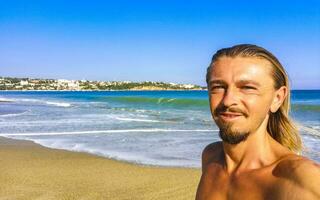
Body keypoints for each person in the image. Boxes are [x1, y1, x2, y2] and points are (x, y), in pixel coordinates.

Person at [196, 44, 320, 200]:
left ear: (277, 99)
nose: (228, 101)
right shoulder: (211, 157)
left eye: (247, 87)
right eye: (218, 86)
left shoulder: (302, 179)